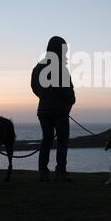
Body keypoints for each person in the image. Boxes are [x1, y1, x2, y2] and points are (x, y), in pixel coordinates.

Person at [31, 36, 76, 182]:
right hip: (60, 111)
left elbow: (34, 87)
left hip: (43, 110)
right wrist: (71, 100)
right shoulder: (60, 68)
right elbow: (66, 91)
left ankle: (43, 172)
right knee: (62, 141)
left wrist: (44, 97)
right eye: (65, 50)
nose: (66, 54)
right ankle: (60, 173)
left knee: (46, 140)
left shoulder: (38, 67)